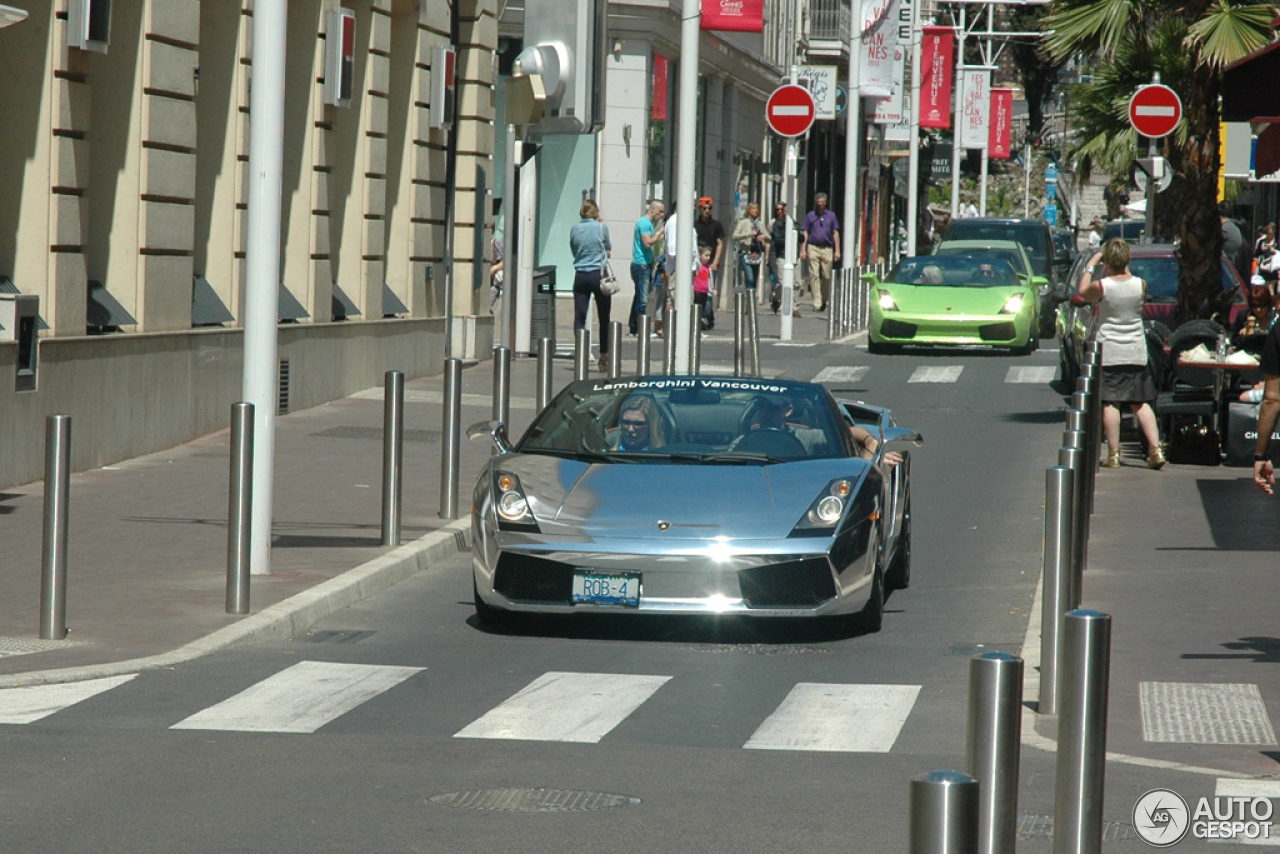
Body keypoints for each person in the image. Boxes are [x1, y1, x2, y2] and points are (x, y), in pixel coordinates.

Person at [1077, 238, 1165, 469]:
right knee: (1141, 403)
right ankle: (1155, 449)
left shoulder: (1103, 286)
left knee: (1111, 402)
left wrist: (1092, 263)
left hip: (1110, 350)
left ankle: (1113, 454)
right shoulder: (1141, 285)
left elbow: (1083, 292)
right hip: (1136, 349)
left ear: (1108, 260)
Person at [568, 199, 612, 372]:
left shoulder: (574, 228)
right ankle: (604, 355)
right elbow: (608, 246)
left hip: (580, 274)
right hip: (598, 274)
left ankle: (580, 352)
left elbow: (573, 248)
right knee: (603, 316)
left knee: (580, 316)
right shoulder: (602, 227)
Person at [628, 200, 665, 336]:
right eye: (660, 211)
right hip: (641, 265)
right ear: (652, 209)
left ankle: (633, 327)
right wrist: (659, 233)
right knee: (643, 299)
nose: (661, 215)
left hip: (645, 264)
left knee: (639, 296)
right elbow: (647, 243)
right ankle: (640, 330)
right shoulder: (644, 223)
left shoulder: (648, 224)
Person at [800, 192, 841, 312]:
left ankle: (824, 298)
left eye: (822, 203)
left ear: (825, 203)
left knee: (826, 275)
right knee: (814, 275)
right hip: (813, 247)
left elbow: (835, 233)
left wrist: (837, 250)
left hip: (827, 248)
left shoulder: (831, 216)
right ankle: (817, 302)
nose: (820, 206)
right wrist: (803, 249)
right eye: (818, 204)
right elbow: (805, 232)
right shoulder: (810, 216)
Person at [693, 197, 726, 329]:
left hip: (710, 263)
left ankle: (706, 318)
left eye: (709, 208)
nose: (707, 211)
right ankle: (700, 316)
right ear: (700, 209)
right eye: (704, 208)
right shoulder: (695, 224)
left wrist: (716, 261)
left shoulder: (716, 225)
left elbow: (720, 243)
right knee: (697, 291)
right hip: (697, 263)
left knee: (708, 291)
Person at [732, 202, 770, 304]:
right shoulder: (743, 222)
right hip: (745, 253)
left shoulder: (760, 224)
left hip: (756, 254)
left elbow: (769, 237)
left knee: (754, 280)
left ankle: (751, 303)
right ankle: (748, 302)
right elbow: (734, 236)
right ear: (749, 210)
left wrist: (764, 237)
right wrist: (747, 234)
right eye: (753, 209)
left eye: (756, 209)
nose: (755, 211)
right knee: (749, 277)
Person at [769, 201, 801, 316]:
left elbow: (801, 238)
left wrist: (795, 230)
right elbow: (778, 240)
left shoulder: (794, 223)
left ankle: (795, 307)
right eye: (778, 210)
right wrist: (789, 236)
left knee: (797, 283)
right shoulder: (777, 224)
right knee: (782, 283)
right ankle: (776, 298)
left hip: (795, 255)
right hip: (782, 255)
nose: (780, 212)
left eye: (782, 210)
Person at [694, 245, 714, 332]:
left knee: (705, 308)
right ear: (700, 256)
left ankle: (703, 321)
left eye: (709, 256)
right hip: (697, 291)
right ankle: (698, 322)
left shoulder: (708, 268)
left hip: (705, 291)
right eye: (706, 255)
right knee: (697, 307)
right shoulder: (697, 266)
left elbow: (710, 279)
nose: (708, 258)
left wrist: (712, 289)